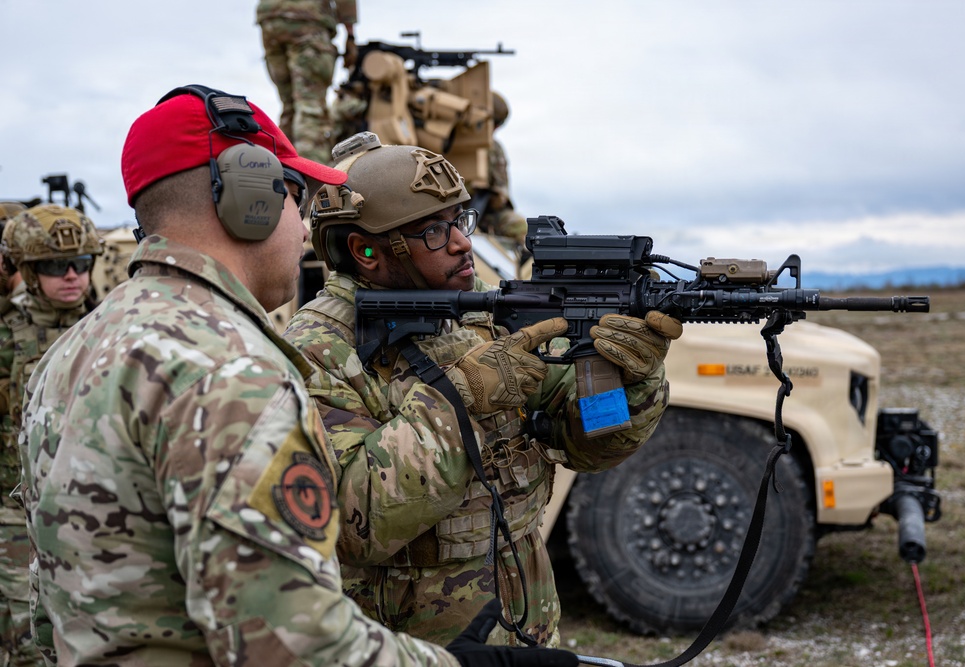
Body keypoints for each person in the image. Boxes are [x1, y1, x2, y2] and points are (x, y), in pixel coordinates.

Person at [18, 85, 577, 667]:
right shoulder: (230, 369)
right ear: (249, 197)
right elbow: (290, 642)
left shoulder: (78, 348)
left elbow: (46, 613)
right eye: (295, 197)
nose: (308, 228)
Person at [281, 131, 682, 646]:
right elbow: (352, 523)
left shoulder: (475, 318)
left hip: (526, 629)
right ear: (365, 251)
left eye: (459, 221)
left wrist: (634, 382)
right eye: (432, 232)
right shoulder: (316, 350)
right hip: (411, 648)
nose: (461, 242)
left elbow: (589, 444)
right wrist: (460, 399)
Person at [0, 202, 102, 667]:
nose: (71, 275)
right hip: (13, 514)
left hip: (96, 512)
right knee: (24, 639)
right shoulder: (6, 335)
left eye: (81, 264)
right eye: (53, 266)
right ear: (25, 268)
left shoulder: (110, 328)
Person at [257, 0, 358, 164]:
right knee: (310, 106)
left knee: (289, 105)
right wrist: (350, 33)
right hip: (308, 18)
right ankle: (312, 180)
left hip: (270, 19)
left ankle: (283, 171)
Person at [475, 92, 528, 245]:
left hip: (484, 213)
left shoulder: (495, 149)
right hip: (450, 212)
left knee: (520, 228)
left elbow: (501, 196)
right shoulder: (447, 143)